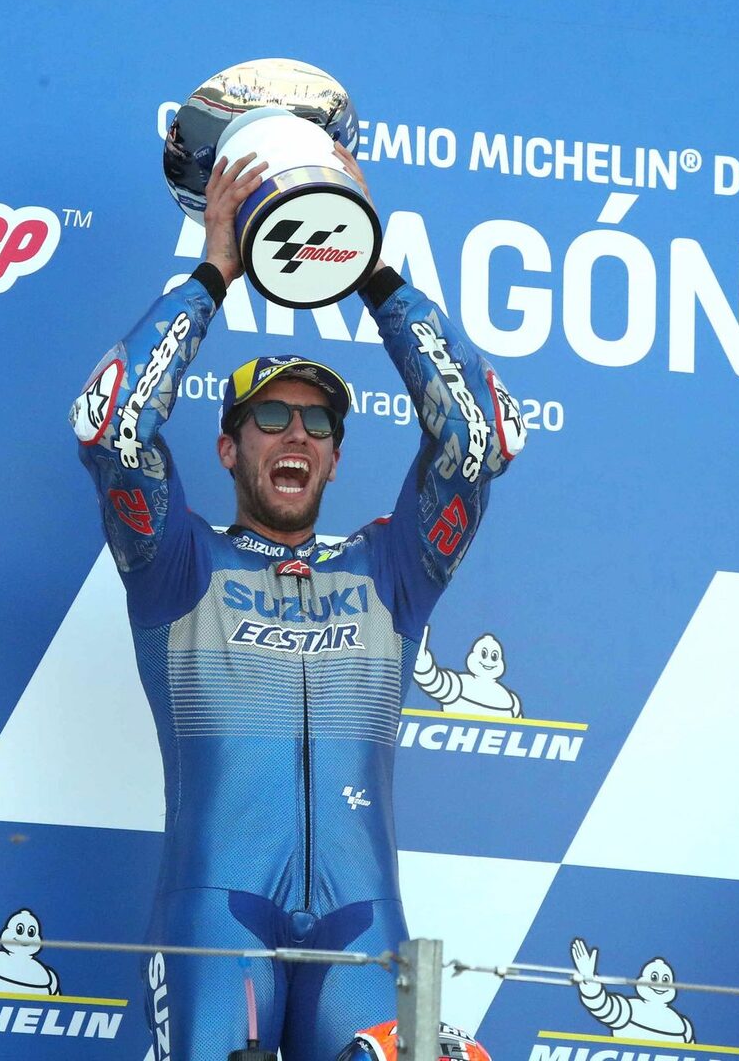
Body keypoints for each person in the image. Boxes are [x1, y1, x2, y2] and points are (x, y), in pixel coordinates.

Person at [73, 149, 526, 1059]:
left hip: (365, 922)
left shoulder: (389, 570)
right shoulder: (178, 564)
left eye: (318, 422)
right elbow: (113, 429)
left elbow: (482, 438)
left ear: (335, 457)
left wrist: (374, 272)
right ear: (229, 448)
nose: (296, 434)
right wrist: (215, 270)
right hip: (217, 917)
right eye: (270, 419)